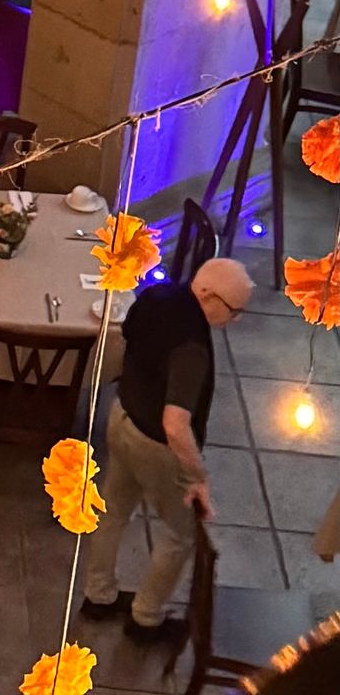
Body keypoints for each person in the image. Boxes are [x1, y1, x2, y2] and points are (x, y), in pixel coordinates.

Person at [79, 256, 255, 641]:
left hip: (122, 417)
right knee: (180, 536)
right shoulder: (193, 348)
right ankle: (146, 619)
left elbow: (129, 337)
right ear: (207, 294)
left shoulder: (158, 294)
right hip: (155, 448)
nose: (235, 320)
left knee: (113, 511)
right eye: (234, 311)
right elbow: (175, 425)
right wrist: (198, 477)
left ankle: (99, 595)